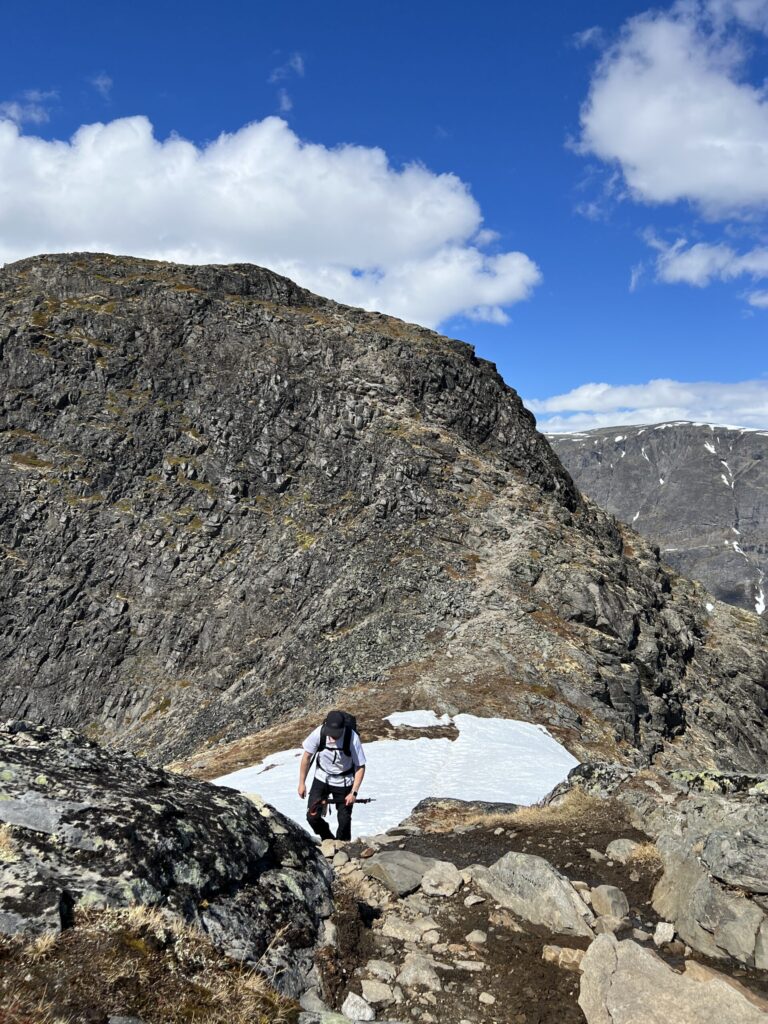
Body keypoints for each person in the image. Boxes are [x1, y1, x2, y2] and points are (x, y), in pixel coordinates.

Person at [298, 710, 366, 842]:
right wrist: (302, 783)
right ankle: (328, 838)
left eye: (337, 734)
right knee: (312, 816)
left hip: (345, 782)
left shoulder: (352, 738)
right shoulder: (319, 733)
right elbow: (306, 757)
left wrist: (354, 792)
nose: (333, 737)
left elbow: (360, 766)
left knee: (344, 820)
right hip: (322, 778)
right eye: (331, 733)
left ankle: (343, 847)